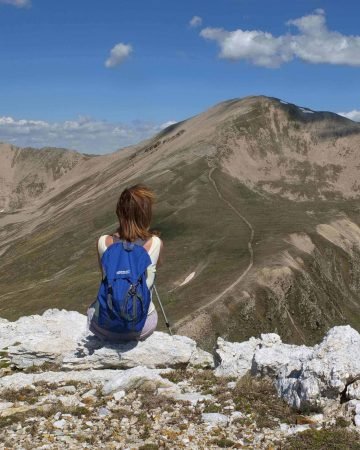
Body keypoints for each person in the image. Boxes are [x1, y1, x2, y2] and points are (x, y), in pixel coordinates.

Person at [87, 184, 163, 342]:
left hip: (105, 327)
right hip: (141, 327)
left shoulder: (103, 242)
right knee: (151, 311)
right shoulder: (155, 243)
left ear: (119, 212)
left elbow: (105, 276)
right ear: (146, 214)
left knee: (92, 308)